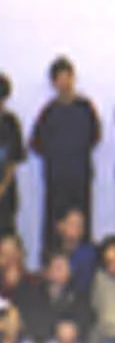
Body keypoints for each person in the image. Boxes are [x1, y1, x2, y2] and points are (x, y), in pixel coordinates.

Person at [29, 57, 102, 246]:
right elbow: (35, 143)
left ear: (73, 78)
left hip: (80, 177)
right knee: (55, 227)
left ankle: (84, 260)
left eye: (67, 77)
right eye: (59, 79)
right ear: (53, 83)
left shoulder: (85, 108)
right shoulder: (48, 112)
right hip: (56, 180)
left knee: (82, 224)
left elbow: (96, 136)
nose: (64, 83)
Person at [0, 75, 24, 243]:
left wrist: (2, 187)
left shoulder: (11, 123)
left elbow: (14, 160)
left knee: (6, 238)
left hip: (6, 194)